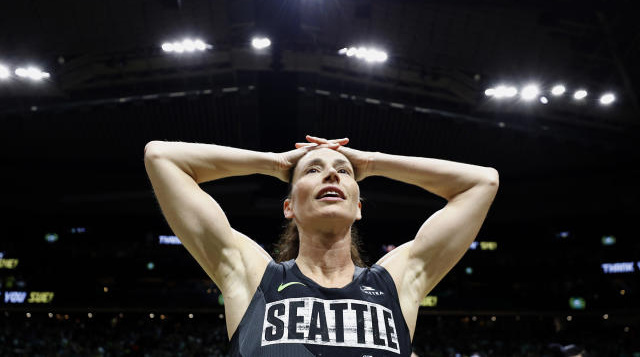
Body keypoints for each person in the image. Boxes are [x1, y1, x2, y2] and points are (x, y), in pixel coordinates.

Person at [144, 135, 499, 356]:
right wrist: (274, 163)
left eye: (344, 172)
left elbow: (482, 182)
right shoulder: (255, 279)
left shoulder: (394, 283)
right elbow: (162, 157)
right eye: (313, 170)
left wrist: (372, 162)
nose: (331, 174)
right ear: (289, 207)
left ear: (358, 207)